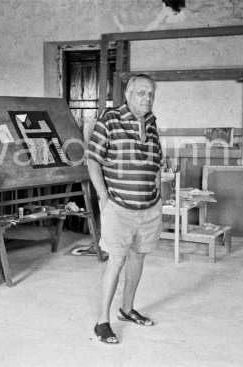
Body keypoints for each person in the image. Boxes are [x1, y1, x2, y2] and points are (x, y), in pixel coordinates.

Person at [87, 74, 163, 344]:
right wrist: (103, 198)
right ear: (128, 93)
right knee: (116, 260)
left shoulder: (152, 124)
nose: (147, 98)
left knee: (138, 258)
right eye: (142, 92)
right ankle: (102, 322)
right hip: (119, 206)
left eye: (151, 94)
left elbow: (156, 164)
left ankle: (127, 309)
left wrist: (158, 196)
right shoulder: (109, 119)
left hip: (149, 207)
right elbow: (93, 161)